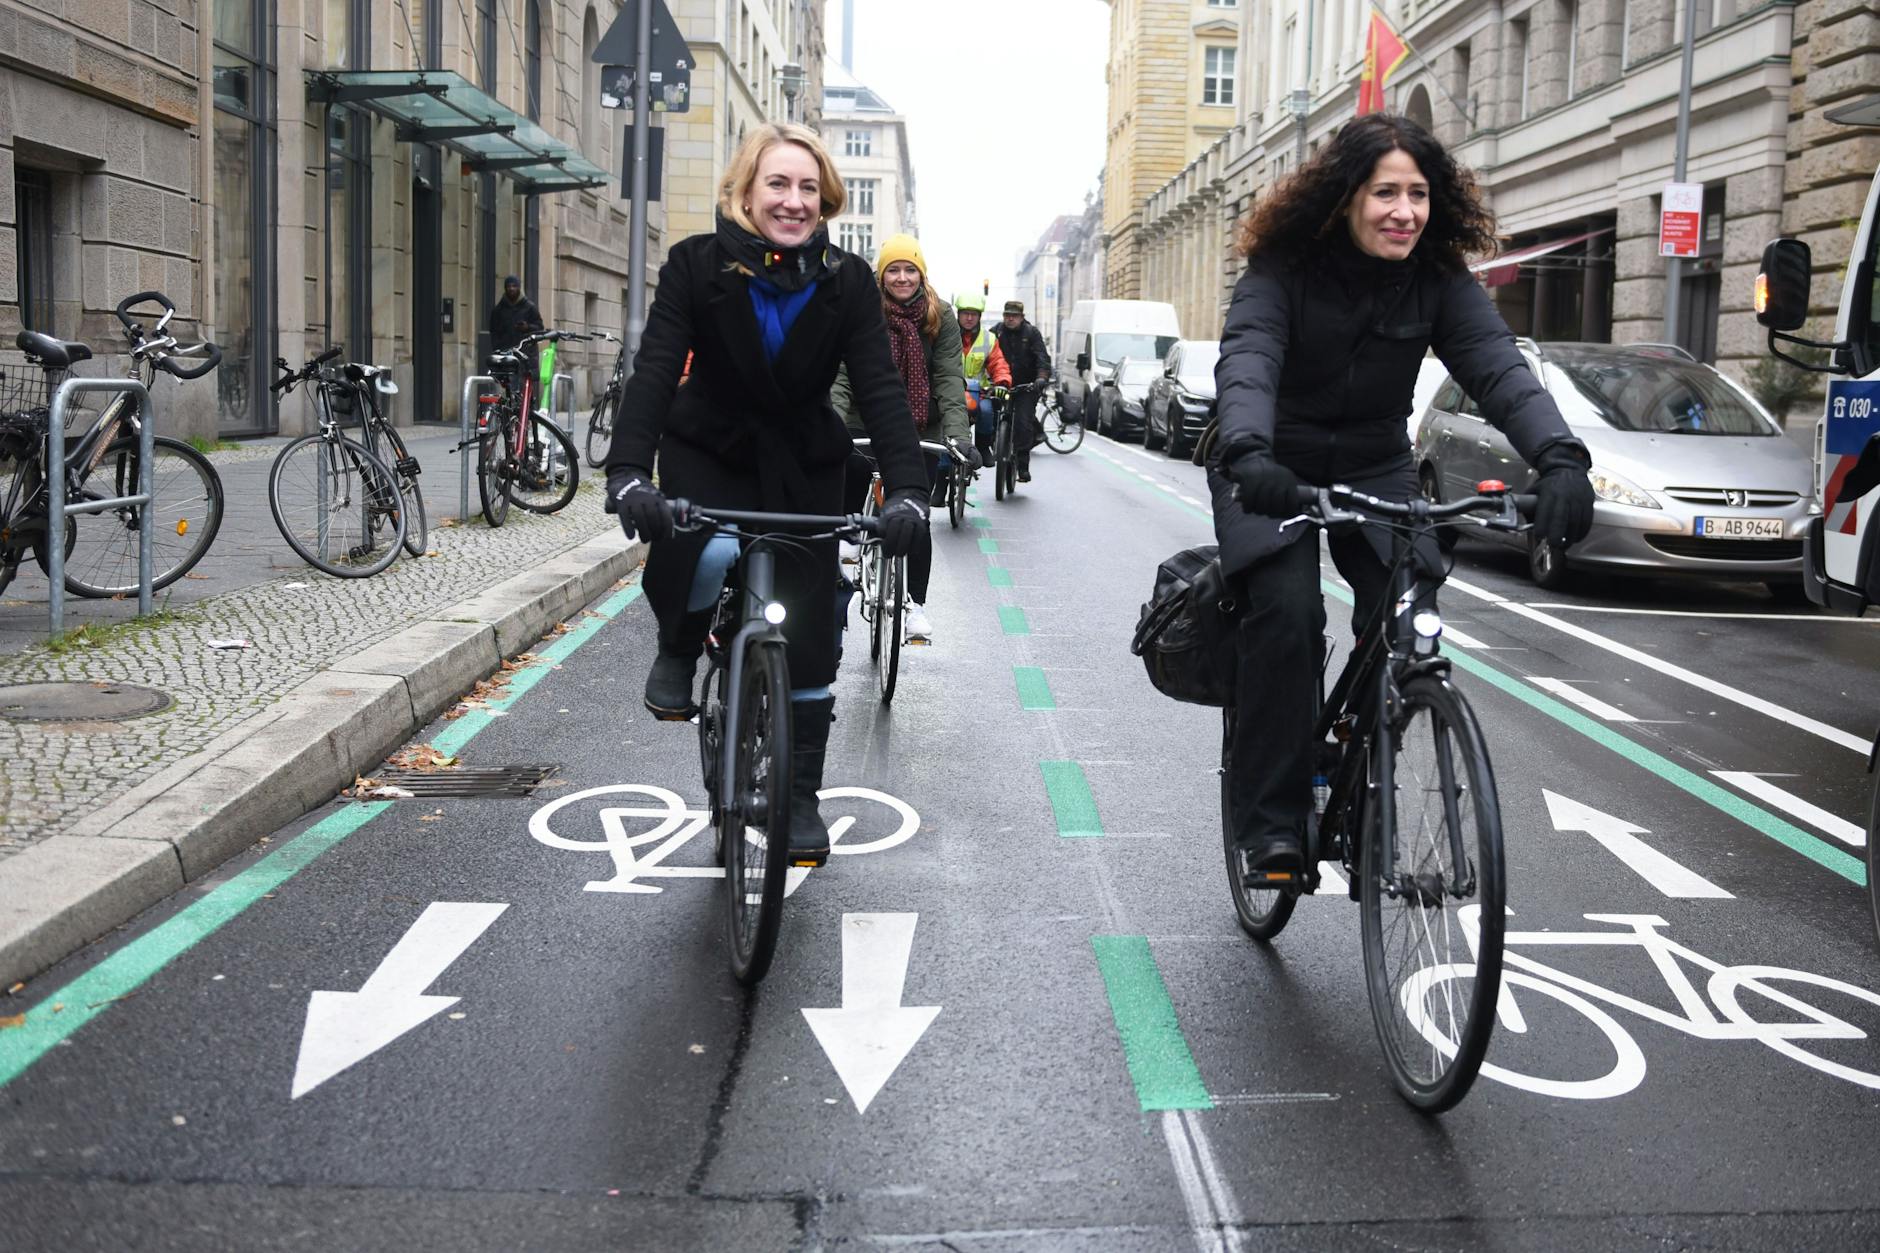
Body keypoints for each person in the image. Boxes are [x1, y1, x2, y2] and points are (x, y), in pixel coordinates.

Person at [1210, 112, 1595, 883]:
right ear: (1347, 197)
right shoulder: (1284, 269)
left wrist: (1560, 460)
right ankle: (1273, 823)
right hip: (1270, 462)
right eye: (1386, 191)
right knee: (1289, 612)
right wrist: (1249, 451)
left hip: (1375, 461)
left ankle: (1361, 752)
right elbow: (1249, 358)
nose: (1404, 211)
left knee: (1405, 609)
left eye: (1418, 194)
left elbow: (1496, 367)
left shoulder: (1437, 278)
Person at [603, 123, 930, 866]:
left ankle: (802, 794)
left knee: (814, 622)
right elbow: (656, 369)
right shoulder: (695, 265)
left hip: (802, 460)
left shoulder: (846, 281)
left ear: (826, 199)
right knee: (707, 547)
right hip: (710, 446)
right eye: (778, 184)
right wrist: (627, 472)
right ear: (746, 191)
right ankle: (681, 646)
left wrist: (907, 490)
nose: (793, 200)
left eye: (808, 187)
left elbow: (878, 388)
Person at [830, 233, 976, 642]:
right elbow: (842, 374)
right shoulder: (862, 309)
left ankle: (913, 605)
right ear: (881, 275)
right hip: (864, 416)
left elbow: (948, 377)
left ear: (922, 274)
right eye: (893, 269)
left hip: (918, 425)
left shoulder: (941, 316)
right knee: (849, 470)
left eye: (909, 269)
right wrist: (834, 425)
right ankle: (852, 538)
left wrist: (958, 437)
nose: (901, 277)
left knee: (916, 518)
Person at [994, 299, 1051, 482]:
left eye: (1014, 316)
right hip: (1002, 384)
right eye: (1007, 315)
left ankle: (1023, 465)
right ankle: (994, 444)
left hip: (1027, 386)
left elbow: (1042, 357)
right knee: (989, 413)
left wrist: (1041, 378)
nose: (1010, 319)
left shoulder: (1032, 333)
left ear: (1021, 317)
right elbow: (988, 355)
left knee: (1023, 421)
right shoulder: (997, 331)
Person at [954, 292, 1012, 470]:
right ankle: (941, 481)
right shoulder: (945, 334)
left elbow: (998, 363)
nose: (969, 318)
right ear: (958, 314)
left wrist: (1002, 383)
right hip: (951, 390)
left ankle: (982, 446)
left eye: (974, 314)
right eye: (965, 313)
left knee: (987, 411)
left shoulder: (989, 339)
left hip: (979, 392)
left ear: (980, 316)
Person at [489, 275, 545, 356]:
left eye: (514, 286)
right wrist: (497, 348)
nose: (511, 289)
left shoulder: (530, 307)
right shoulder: (498, 310)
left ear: (519, 288)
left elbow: (540, 328)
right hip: (505, 352)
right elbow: (494, 332)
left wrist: (527, 327)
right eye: (509, 286)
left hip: (526, 353)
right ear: (505, 288)